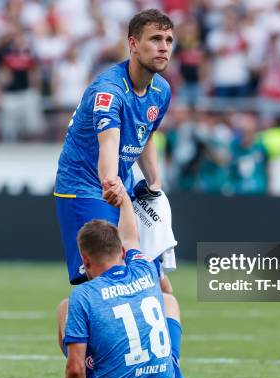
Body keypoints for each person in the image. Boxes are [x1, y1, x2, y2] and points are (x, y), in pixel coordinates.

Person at [54, 9, 174, 286]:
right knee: (105, 284)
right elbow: (108, 147)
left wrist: (154, 184)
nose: (163, 47)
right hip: (84, 188)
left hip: (124, 186)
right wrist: (113, 185)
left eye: (168, 40)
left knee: (156, 283)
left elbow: (146, 134)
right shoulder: (109, 92)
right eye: (155, 39)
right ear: (133, 44)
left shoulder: (162, 90)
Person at [57, 183, 187, 378]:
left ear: (85, 260)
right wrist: (124, 199)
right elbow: (131, 237)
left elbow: (75, 370)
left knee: (64, 308)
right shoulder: (144, 267)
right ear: (123, 253)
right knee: (169, 300)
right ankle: (170, 365)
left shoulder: (84, 295)